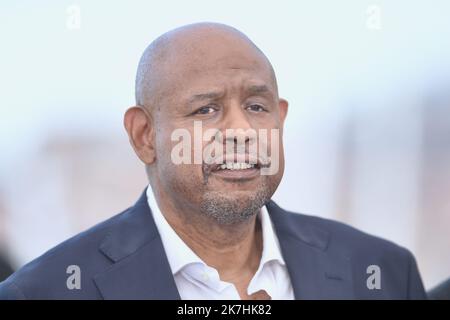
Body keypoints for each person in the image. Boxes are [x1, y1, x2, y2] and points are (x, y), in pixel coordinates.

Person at [0, 22, 426, 299]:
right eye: (206, 110)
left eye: (257, 107)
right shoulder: (45, 291)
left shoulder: (383, 273)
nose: (241, 130)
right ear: (144, 136)